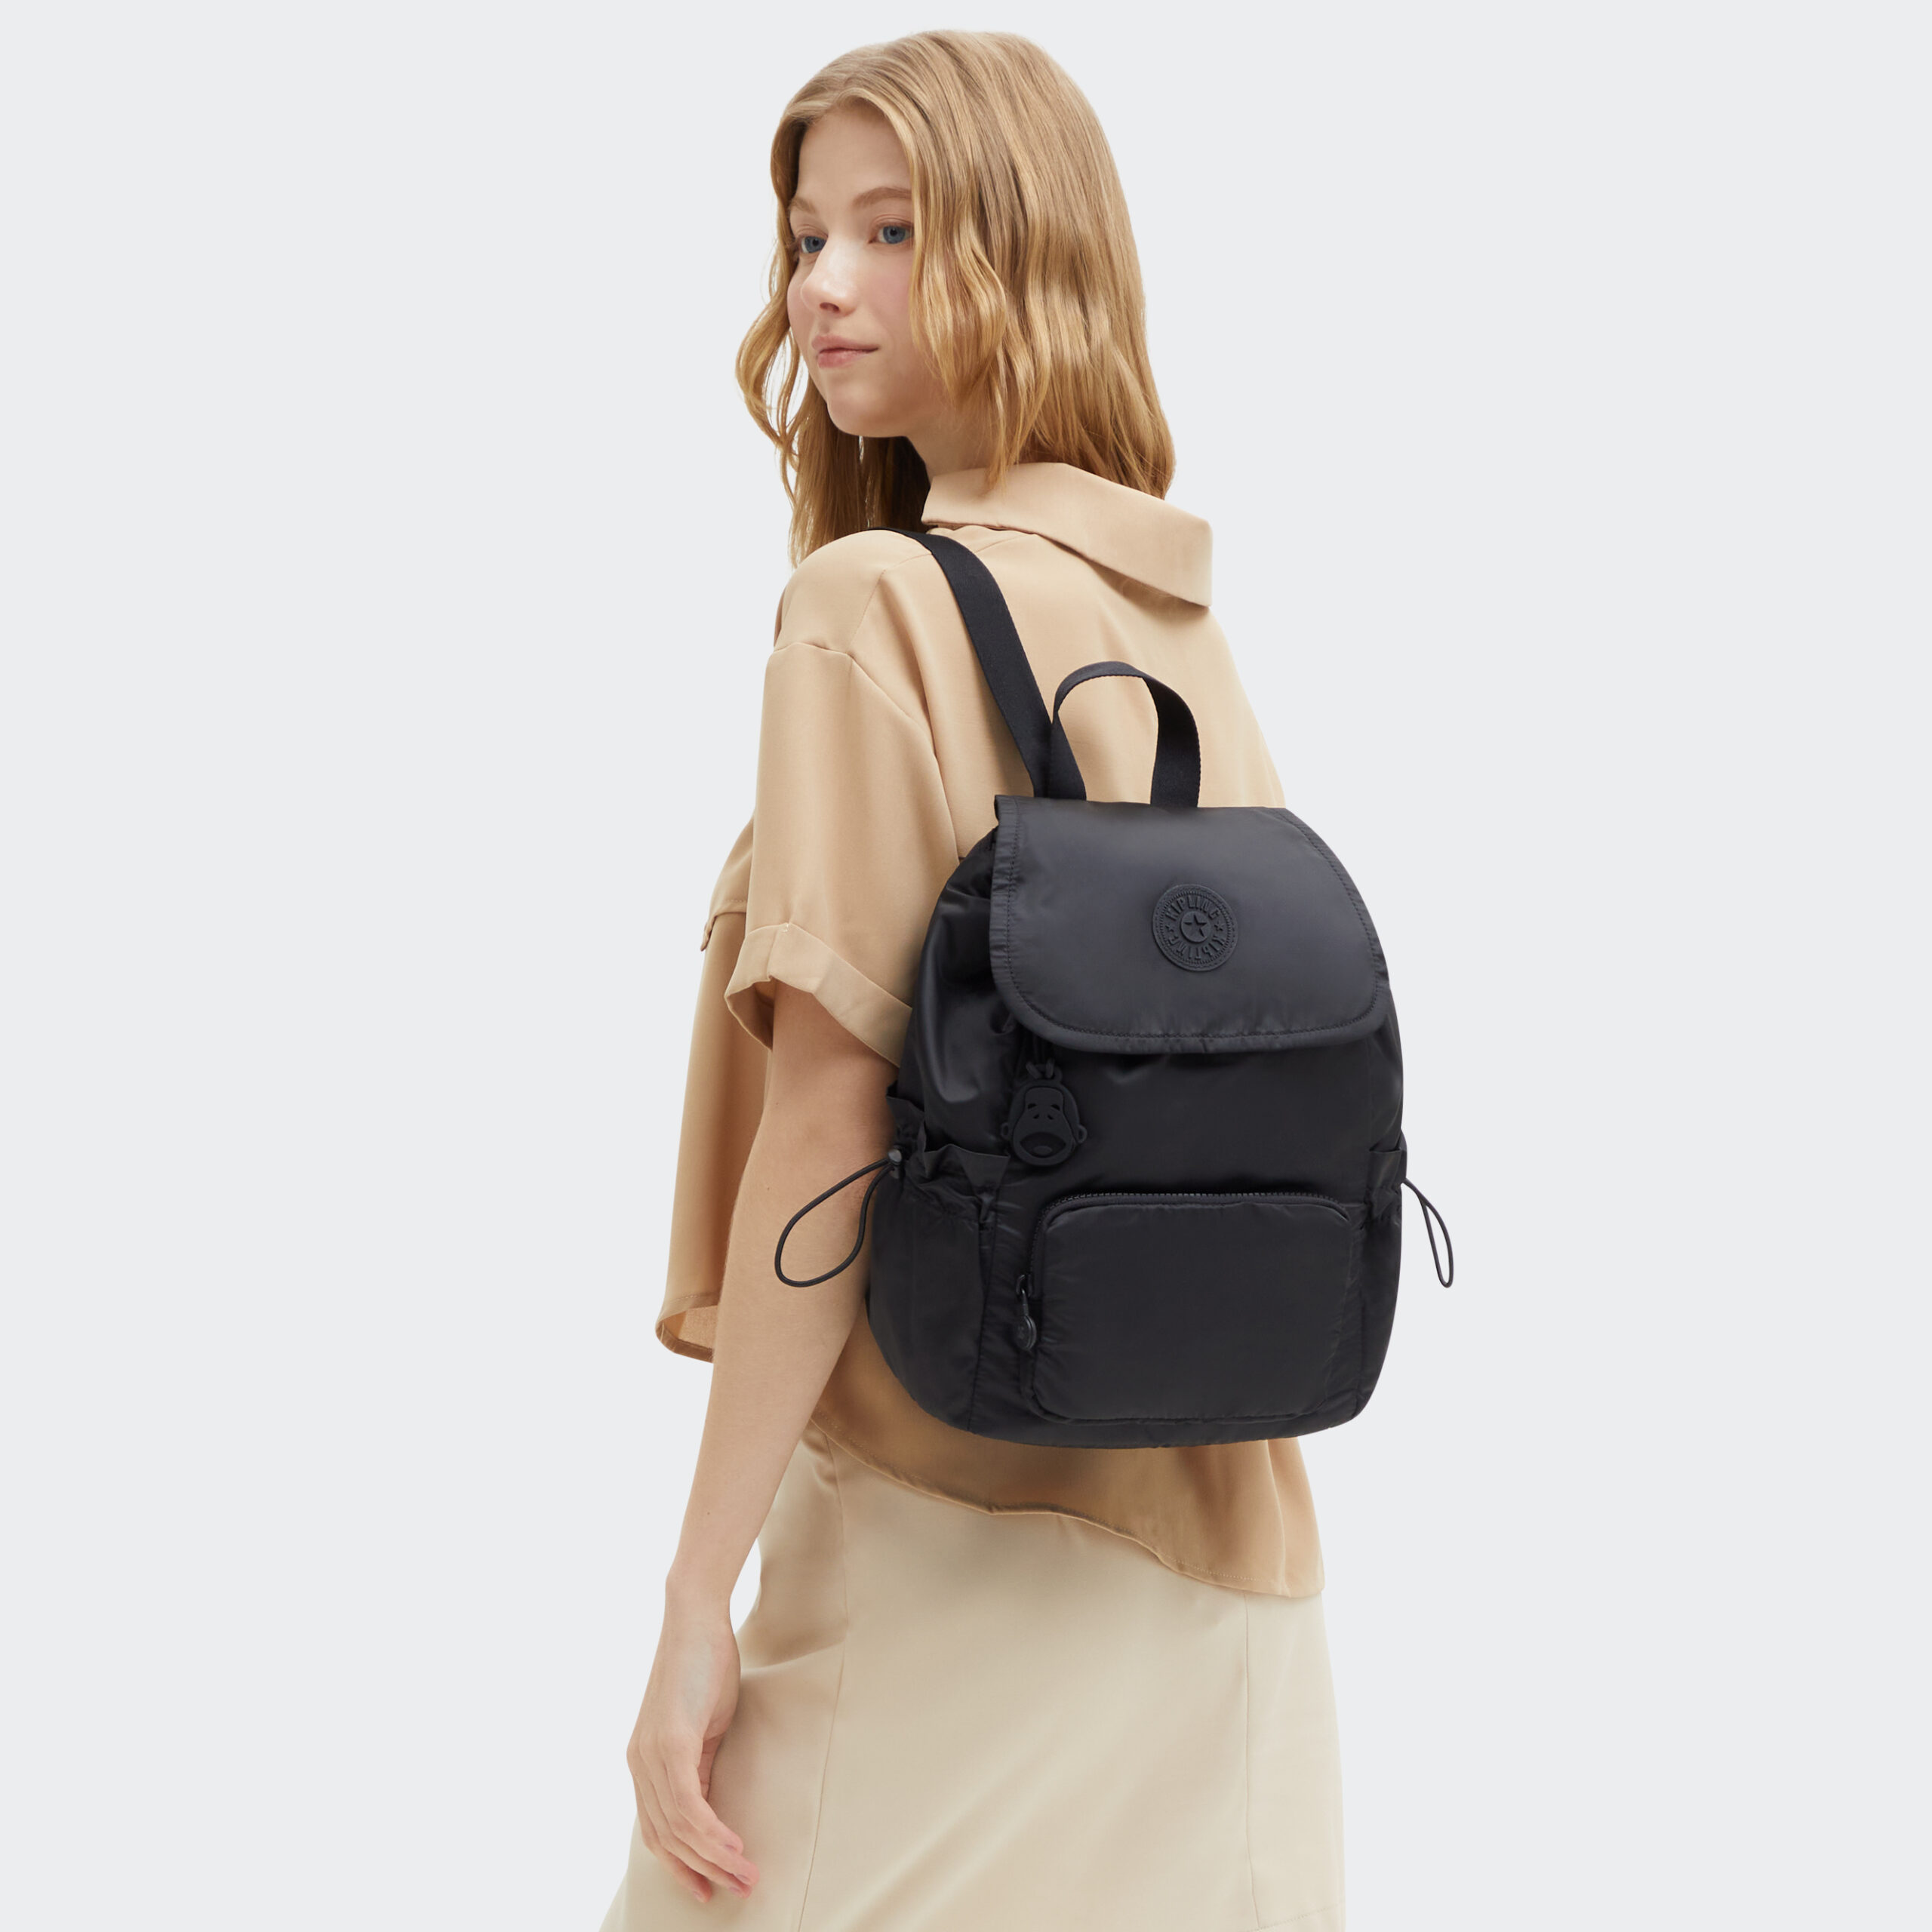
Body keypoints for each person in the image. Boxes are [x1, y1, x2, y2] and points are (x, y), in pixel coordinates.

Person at [599, 31, 1344, 1931]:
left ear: (1025, 249)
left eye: (892, 229)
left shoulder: (864, 606)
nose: (821, 287)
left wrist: (695, 1600)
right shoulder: (1175, 616)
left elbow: (827, 1124)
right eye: (805, 237)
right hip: (1225, 1562)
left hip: (938, 1541)